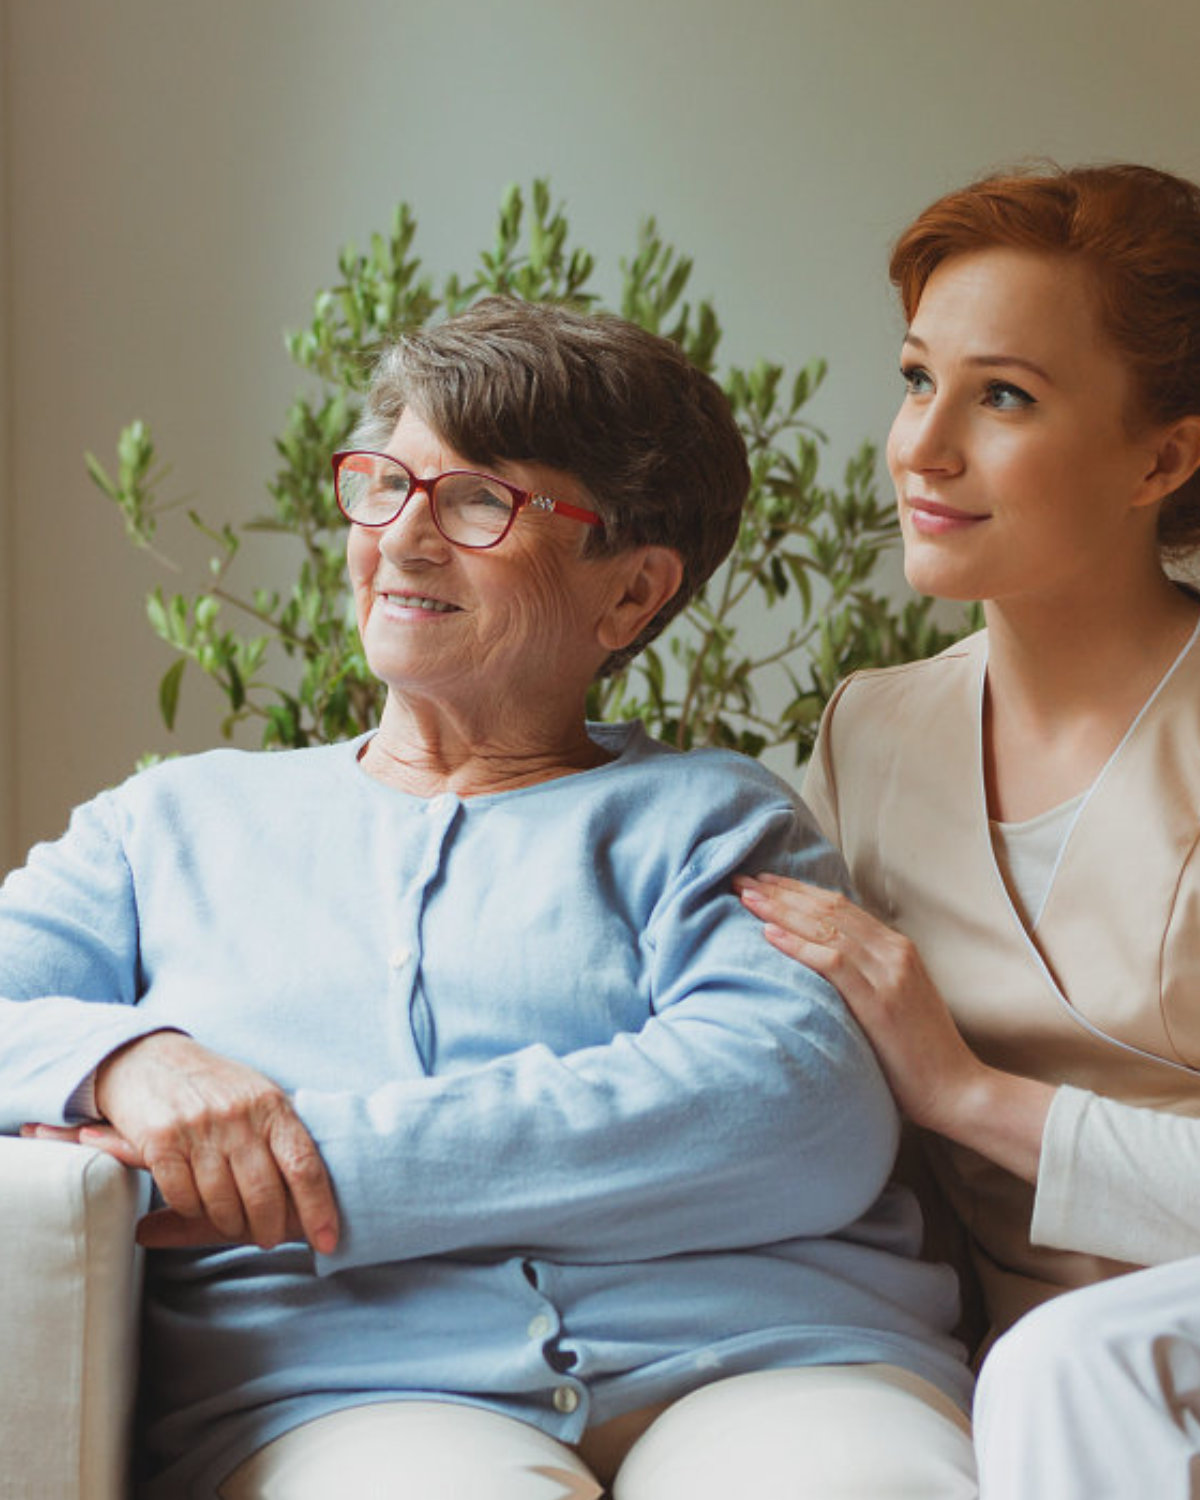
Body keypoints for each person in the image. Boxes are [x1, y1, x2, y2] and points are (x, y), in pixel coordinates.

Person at [0, 296, 975, 1499]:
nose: (402, 540)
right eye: (383, 483)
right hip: (353, 1390)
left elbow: (790, 1111)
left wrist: (306, 1164)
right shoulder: (170, 826)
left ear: (629, 595)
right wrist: (126, 1061)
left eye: (477, 502)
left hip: (768, 1357)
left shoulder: (714, 817)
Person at [736, 162, 1200, 1497]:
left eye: (1004, 396)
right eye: (919, 377)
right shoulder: (869, 736)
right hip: (1060, 1379)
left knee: (1062, 1363)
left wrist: (972, 1097)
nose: (922, 447)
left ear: (1163, 457)